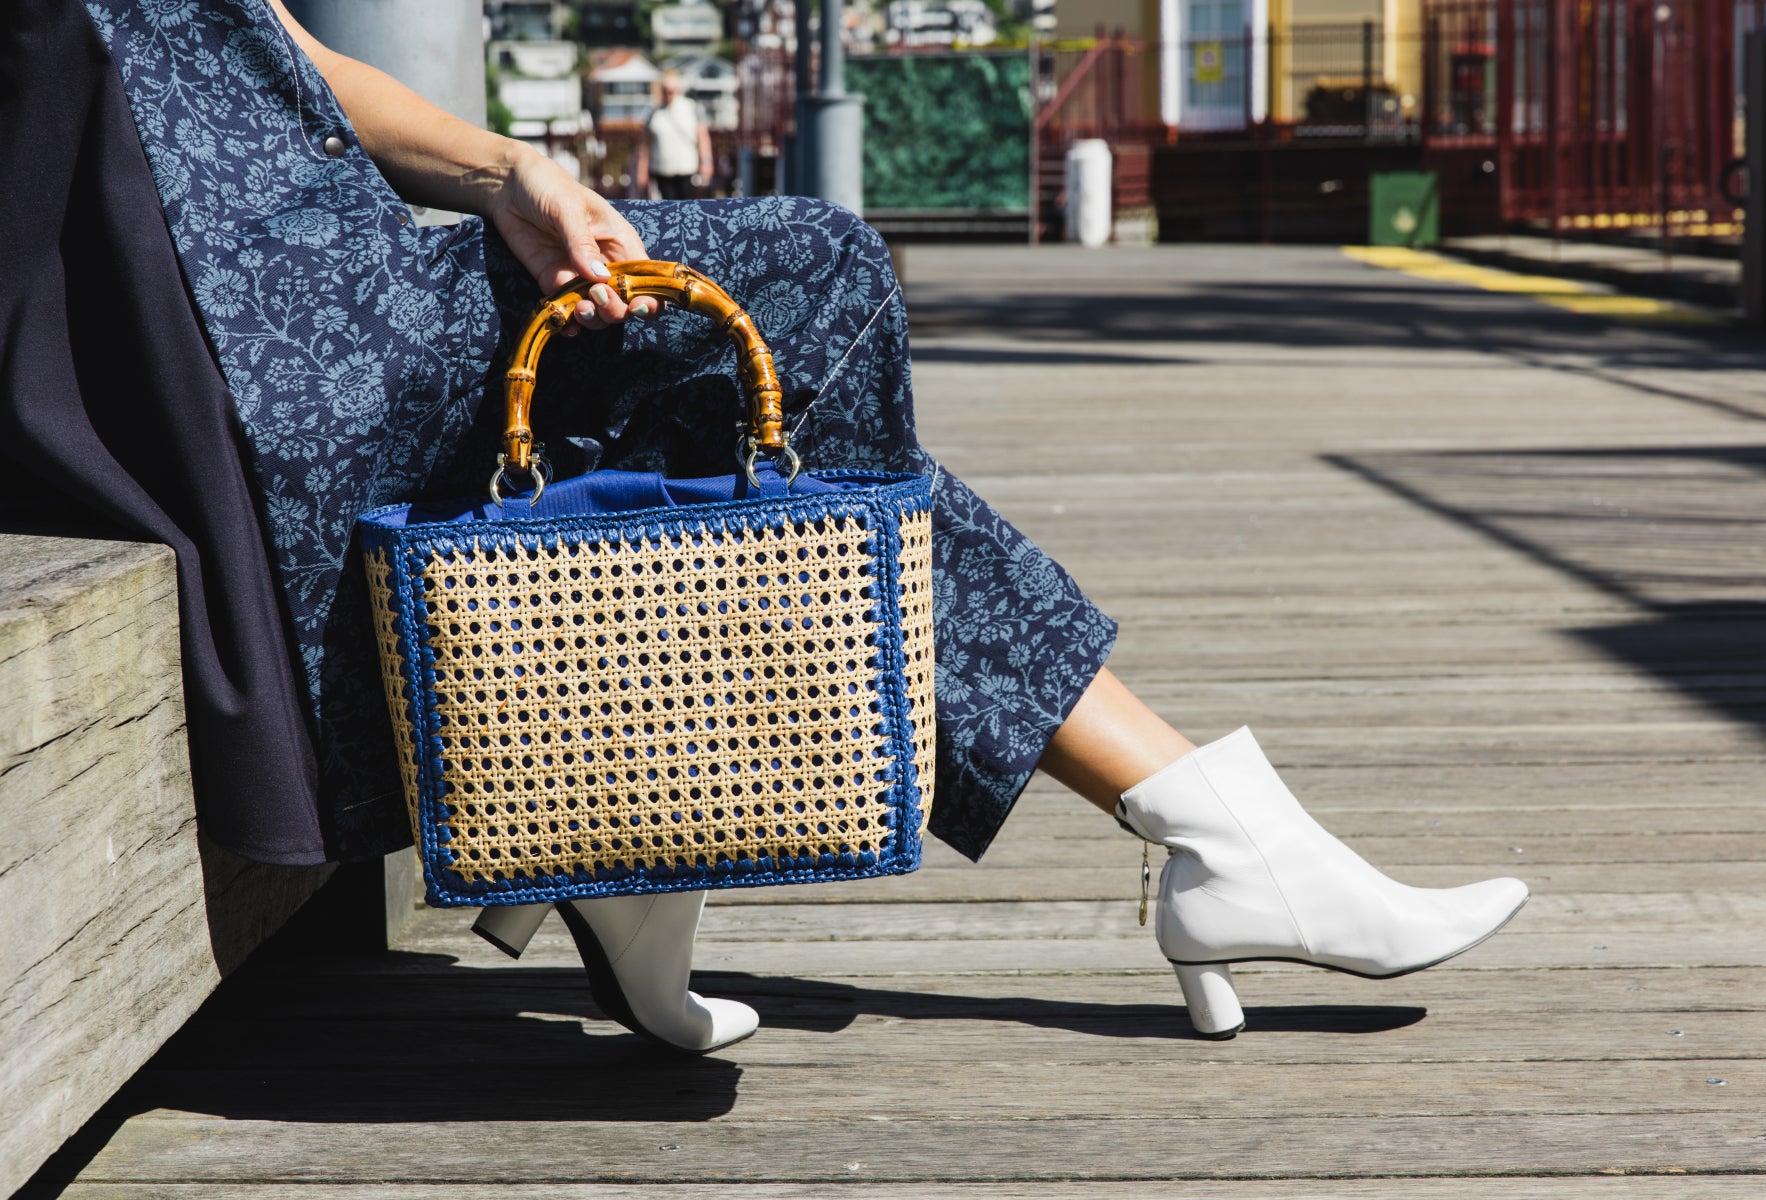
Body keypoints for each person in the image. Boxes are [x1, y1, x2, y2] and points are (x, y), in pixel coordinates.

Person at [1, 0, 1526, 1055]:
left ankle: (653, 838)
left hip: (335, 276)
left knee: (778, 330)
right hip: (227, 365)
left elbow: (267, 48)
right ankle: (1203, 832)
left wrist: (512, 173)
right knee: (804, 282)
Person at [635, 70, 713, 201]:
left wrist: (706, 163)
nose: (669, 94)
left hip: (687, 170)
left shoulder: (691, 108)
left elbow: (702, 138)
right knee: (667, 207)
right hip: (662, 170)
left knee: (687, 206)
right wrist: (642, 170)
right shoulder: (653, 112)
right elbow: (645, 145)